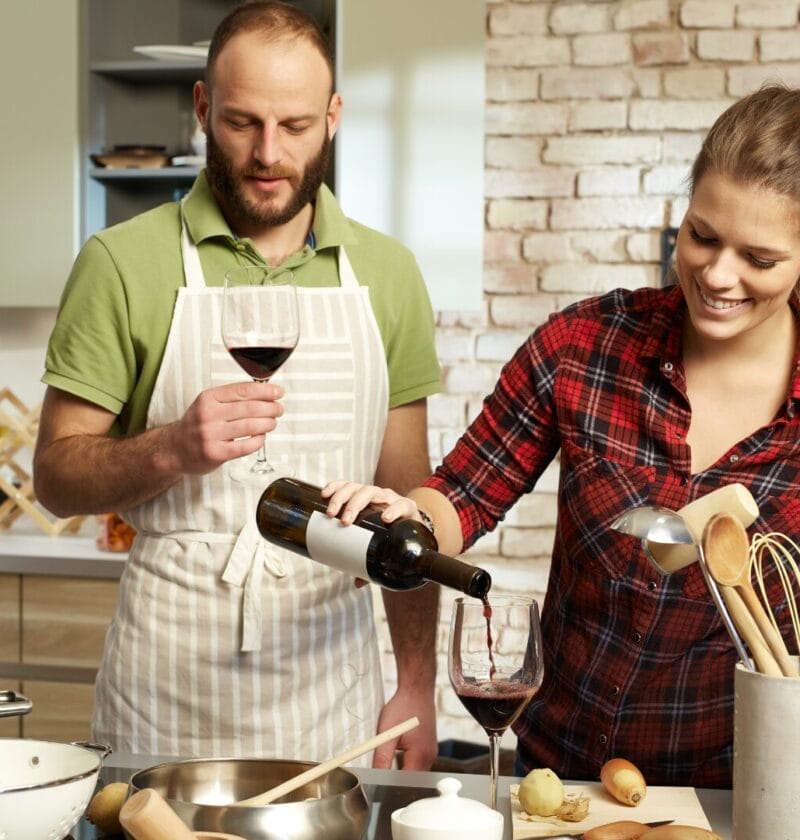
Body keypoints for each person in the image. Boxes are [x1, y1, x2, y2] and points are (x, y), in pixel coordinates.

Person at [324, 83, 800, 788]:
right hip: (558, 773)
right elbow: (464, 493)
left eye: (758, 259)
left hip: (737, 792)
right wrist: (409, 519)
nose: (717, 274)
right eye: (701, 236)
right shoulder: (587, 343)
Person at [33, 1, 441, 769]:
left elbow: (404, 503)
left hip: (332, 686)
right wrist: (171, 450)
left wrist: (416, 683)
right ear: (201, 109)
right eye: (241, 122)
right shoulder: (121, 262)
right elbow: (55, 476)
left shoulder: (388, 276)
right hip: (166, 684)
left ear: (333, 118)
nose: (267, 153)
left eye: (294, 126)